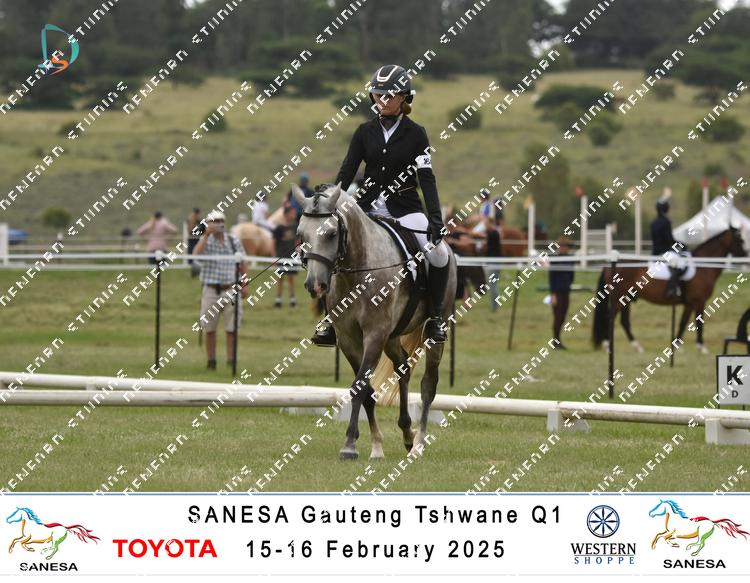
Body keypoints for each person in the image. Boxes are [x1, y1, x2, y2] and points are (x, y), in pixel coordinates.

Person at [311, 63, 451, 347]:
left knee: (439, 254)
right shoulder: (364, 132)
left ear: (404, 97)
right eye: (378, 95)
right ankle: (330, 319)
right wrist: (332, 205)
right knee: (333, 247)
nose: (382, 100)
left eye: (389, 95)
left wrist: (436, 219)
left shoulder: (417, 134)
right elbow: (347, 171)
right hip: (366, 208)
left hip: (406, 209)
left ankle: (435, 318)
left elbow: (426, 178)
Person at [192, 210, 247, 370]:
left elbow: (243, 263)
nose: (218, 224)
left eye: (220, 220)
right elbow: (196, 256)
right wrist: (205, 235)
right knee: (209, 328)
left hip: (231, 288)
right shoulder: (206, 241)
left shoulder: (233, 240)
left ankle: (231, 360)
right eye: (214, 221)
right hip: (211, 290)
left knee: (232, 328)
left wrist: (245, 283)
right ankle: (211, 361)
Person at [650, 192, 685, 298]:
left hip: (654, 253)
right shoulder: (666, 222)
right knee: (682, 265)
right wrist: (682, 245)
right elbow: (670, 240)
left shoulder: (653, 223)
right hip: (665, 252)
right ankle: (671, 288)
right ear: (666, 209)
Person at [549, 237, 575, 349]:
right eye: (562, 246)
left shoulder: (570, 259)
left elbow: (572, 275)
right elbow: (551, 278)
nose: (564, 248)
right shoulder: (555, 260)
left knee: (563, 316)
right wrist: (553, 294)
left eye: (566, 246)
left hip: (566, 291)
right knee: (557, 317)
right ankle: (555, 340)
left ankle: (558, 340)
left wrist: (568, 285)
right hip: (557, 292)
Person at [273, 203, 298, 308]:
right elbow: (273, 243)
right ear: (287, 214)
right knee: (280, 278)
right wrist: (274, 257)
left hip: (291, 256)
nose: (294, 215)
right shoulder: (279, 228)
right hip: (281, 256)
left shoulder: (295, 227)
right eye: (292, 213)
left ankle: (292, 299)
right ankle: (278, 299)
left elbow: (297, 241)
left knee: (291, 278)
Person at [187, 207, 202, 276]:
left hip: (198, 242)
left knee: (198, 258)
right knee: (191, 258)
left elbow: (203, 231)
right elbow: (190, 231)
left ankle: (197, 272)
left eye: (196, 213)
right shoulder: (189, 221)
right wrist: (192, 221)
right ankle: (192, 273)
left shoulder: (200, 222)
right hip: (192, 242)